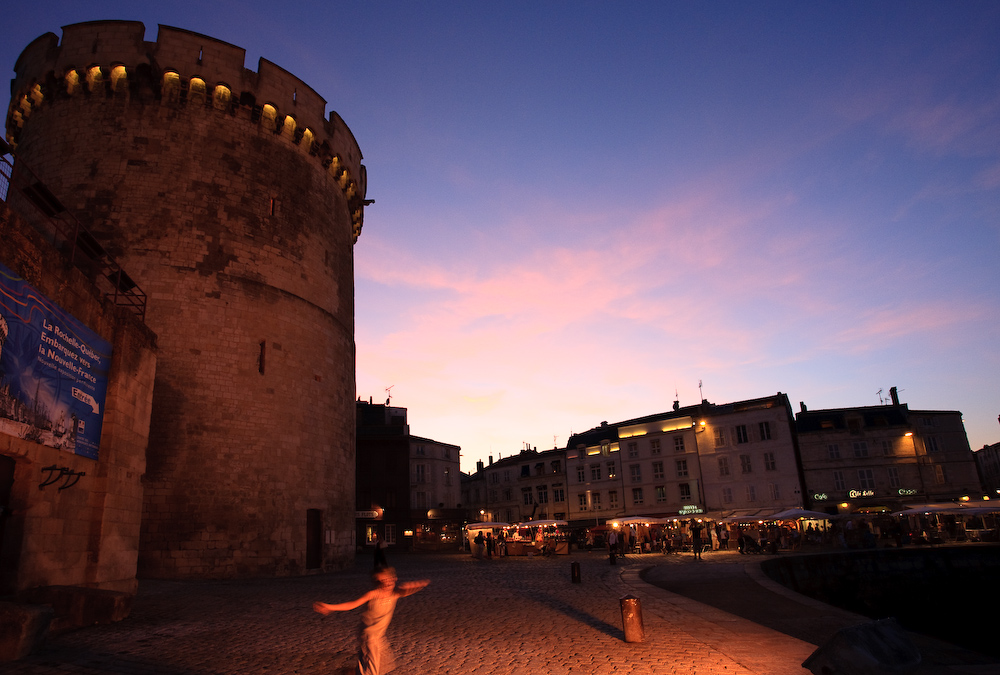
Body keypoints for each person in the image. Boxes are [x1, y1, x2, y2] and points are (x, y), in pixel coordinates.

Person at [314, 567, 429, 675]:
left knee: (384, 663)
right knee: (372, 667)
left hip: (379, 636)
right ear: (377, 582)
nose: (386, 583)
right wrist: (330, 607)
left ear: (394, 579)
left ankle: (356, 672)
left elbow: (406, 590)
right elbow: (352, 604)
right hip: (369, 635)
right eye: (382, 581)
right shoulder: (373, 594)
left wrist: (417, 585)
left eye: (388, 580)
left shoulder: (395, 594)